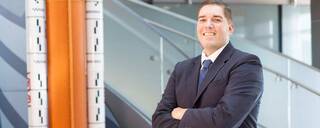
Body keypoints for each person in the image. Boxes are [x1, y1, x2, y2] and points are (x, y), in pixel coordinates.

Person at [152, 0, 264, 128]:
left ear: (230, 28)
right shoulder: (181, 69)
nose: (208, 25)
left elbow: (224, 120)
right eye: (202, 20)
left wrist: (184, 113)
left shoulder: (246, 64)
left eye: (216, 20)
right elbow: (158, 119)